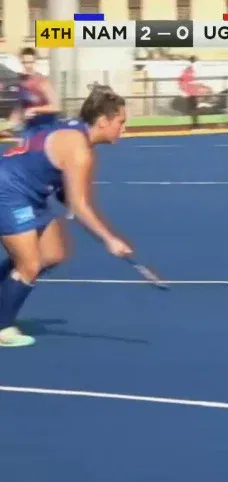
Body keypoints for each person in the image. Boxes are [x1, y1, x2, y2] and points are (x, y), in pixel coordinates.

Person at [0, 86, 133, 348]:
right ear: (103, 121)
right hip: (9, 191)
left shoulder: (72, 128)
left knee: (52, 254)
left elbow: (63, 186)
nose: (124, 129)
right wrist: (109, 239)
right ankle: (2, 326)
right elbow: (79, 205)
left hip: (31, 193)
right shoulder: (79, 150)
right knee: (29, 265)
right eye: (121, 122)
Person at [9, 48, 61, 134]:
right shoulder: (21, 82)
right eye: (24, 62)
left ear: (35, 62)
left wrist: (34, 110)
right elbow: (19, 107)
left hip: (46, 126)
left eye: (30, 62)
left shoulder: (42, 81)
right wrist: (12, 123)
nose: (27, 66)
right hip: (30, 127)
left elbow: (56, 107)